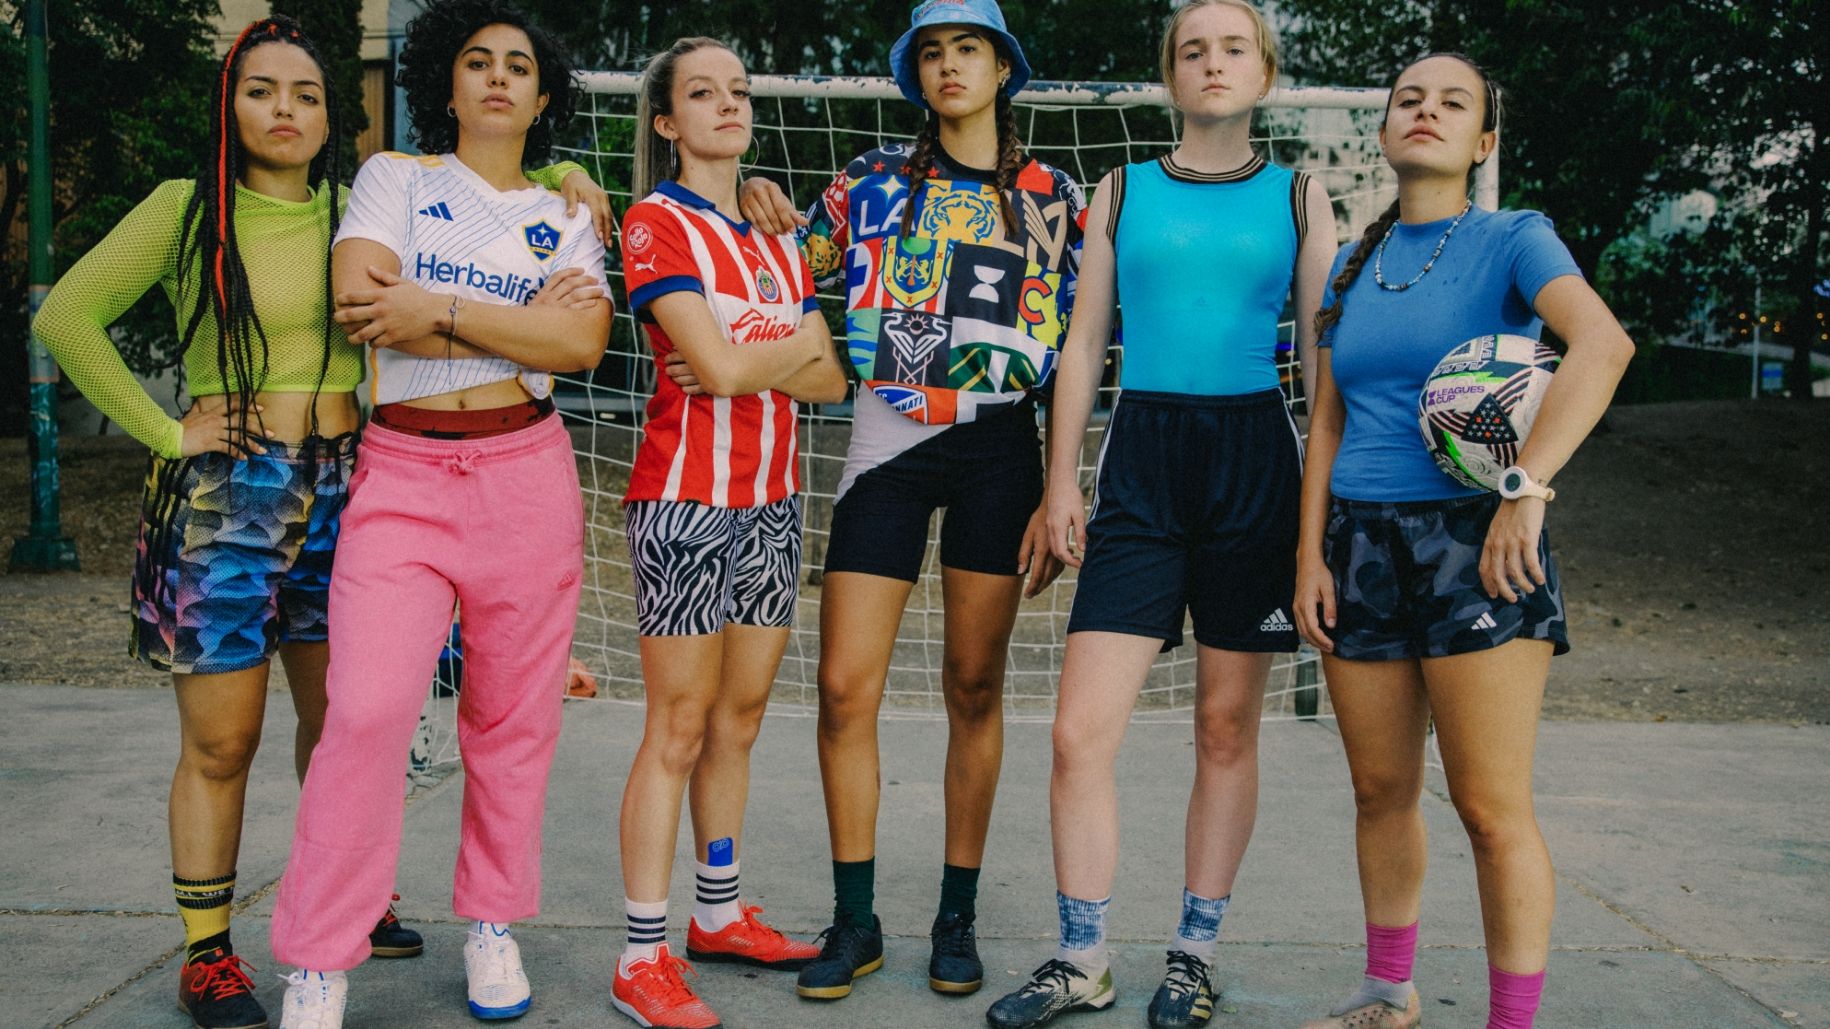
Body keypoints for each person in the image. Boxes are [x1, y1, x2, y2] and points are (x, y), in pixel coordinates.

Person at [30, 15, 607, 1028]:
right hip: (231, 491)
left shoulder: (360, 199)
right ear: (230, 101)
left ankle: (370, 905)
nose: (285, 109)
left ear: (330, 113)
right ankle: (214, 952)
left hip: (350, 475)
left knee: (345, 716)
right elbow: (65, 319)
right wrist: (166, 435)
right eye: (262, 90)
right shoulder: (193, 208)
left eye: (305, 93)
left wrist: (570, 180)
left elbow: (535, 273)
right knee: (232, 738)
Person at [983, 3, 1336, 1027]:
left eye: (1233, 47)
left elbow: (1321, 365)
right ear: (1170, 76)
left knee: (1225, 728)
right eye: (1193, 50)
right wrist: (1063, 482)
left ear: (1264, 72)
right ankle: (1080, 956)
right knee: (1077, 733)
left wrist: (1318, 516)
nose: (1212, 63)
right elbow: (1085, 343)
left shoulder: (1301, 194)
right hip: (1140, 466)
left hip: (1255, 465)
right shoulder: (1122, 188)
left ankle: (1193, 952)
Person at [268, 1, 611, 1024]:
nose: (498, 78)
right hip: (405, 473)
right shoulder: (397, 180)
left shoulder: (567, 213)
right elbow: (367, 304)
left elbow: (582, 348)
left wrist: (443, 312)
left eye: (519, 66)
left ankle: (494, 928)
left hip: (527, 472)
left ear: (543, 98)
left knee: (511, 723)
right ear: (447, 83)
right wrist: (517, 328)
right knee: (364, 715)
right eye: (477, 61)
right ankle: (321, 956)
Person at [737, 0, 1081, 1002]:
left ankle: (956, 916)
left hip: (998, 449)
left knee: (974, 686)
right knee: (845, 687)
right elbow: (781, 266)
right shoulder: (868, 182)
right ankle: (856, 923)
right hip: (888, 438)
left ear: (1002, 66)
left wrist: (1065, 485)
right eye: (930, 52)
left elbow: (1079, 350)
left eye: (966, 48)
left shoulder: (1055, 197)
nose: (947, 67)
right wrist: (750, 195)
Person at [1291, 53, 1633, 1029]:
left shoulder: (1514, 240)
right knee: (1379, 790)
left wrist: (1527, 487)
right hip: (1359, 541)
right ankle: (1388, 993)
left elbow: (1602, 346)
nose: (1426, 112)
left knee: (1489, 807)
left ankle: (1509, 1022)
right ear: (1386, 129)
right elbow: (1327, 420)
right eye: (1409, 99)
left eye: (1453, 103)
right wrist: (1310, 552)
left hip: (1476, 540)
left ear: (1483, 141)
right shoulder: (1355, 263)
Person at [607, 35, 848, 1029]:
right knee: (678, 725)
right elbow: (724, 360)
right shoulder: (654, 223)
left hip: (776, 498)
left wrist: (761, 357)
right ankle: (639, 957)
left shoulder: (775, 230)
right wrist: (778, 350)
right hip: (684, 502)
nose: (728, 106)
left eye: (740, 91)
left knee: (740, 719)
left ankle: (718, 913)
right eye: (702, 94)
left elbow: (830, 379)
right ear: (667, 121)